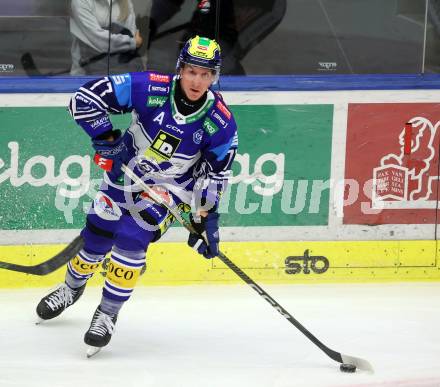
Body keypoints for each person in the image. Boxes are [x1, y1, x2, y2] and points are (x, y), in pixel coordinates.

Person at [36, 35, 238, 356]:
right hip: (124, 176)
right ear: (180, 69)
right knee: (97, 237)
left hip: (168, 192)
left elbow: (216, 176)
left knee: (131, 237)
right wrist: (108, 138)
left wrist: (205, 220)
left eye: (206, 74)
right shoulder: (150, 87)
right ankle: (70, 289)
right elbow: (83, 99)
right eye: (191, 71)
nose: (197, 80)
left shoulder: (220, 122)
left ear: (215, 77)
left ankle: (107, 313)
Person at [70, 0, 144, 75]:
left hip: (121, 72)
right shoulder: (81, 1)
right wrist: (132, 43)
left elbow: (131, 35)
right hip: (86, 74)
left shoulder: (126, 2)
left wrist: (131, 42)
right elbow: (99, 40)